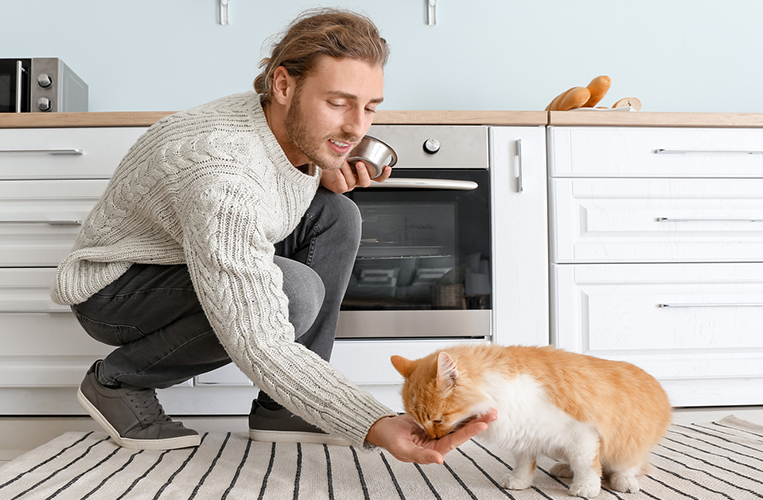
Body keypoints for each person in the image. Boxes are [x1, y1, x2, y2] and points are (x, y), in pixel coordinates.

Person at [51, 8, 495, 464]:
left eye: (369, 107)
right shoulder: (222, 173)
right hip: (115, 290)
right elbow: (256, 335)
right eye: (338, 103)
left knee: (337, 214)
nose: (357, 127)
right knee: (294, 292)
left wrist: (322, 164)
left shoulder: (286, 124)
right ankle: (117, 381)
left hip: (184, 255)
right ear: (283, 85)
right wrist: (372, 422)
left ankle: (283, 407)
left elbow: (276, 176)